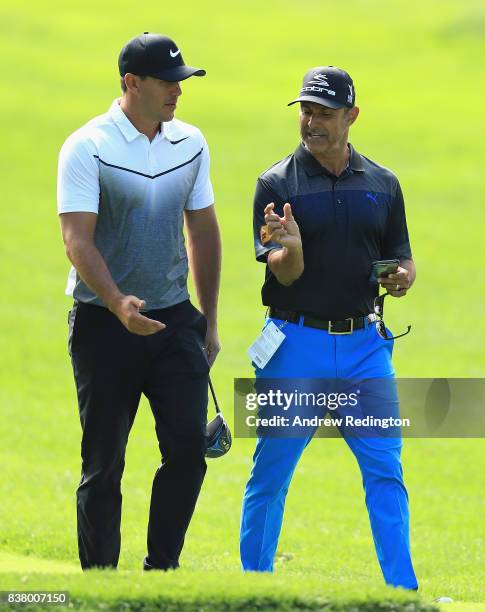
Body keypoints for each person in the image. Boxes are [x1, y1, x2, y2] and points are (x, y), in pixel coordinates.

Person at [240, 66, 418, 590]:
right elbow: (284, 274)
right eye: (306, 111)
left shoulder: (382, 184)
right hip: (294, 343)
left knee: (386, 471)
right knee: (271, 474)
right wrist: (290, 250)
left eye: (324, 112)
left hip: (367, 347)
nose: (311, 122)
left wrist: (403, 277)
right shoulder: (275, 184)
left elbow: (399, 257)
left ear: (351, 117)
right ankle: (255, 589)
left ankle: (402, 592)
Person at [57, 32, 221, 571]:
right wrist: (118, 302)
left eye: (182, 81)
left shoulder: (191, 142)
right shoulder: (89, 146)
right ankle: (101, 582)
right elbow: (77, 240)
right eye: (168, 82)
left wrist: (209, 320)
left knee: (187, 452)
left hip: (174, 321)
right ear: (132, 83)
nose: (179, 91)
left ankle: (161, 572)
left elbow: (202, 231)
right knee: (104, 464)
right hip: (105, 324)